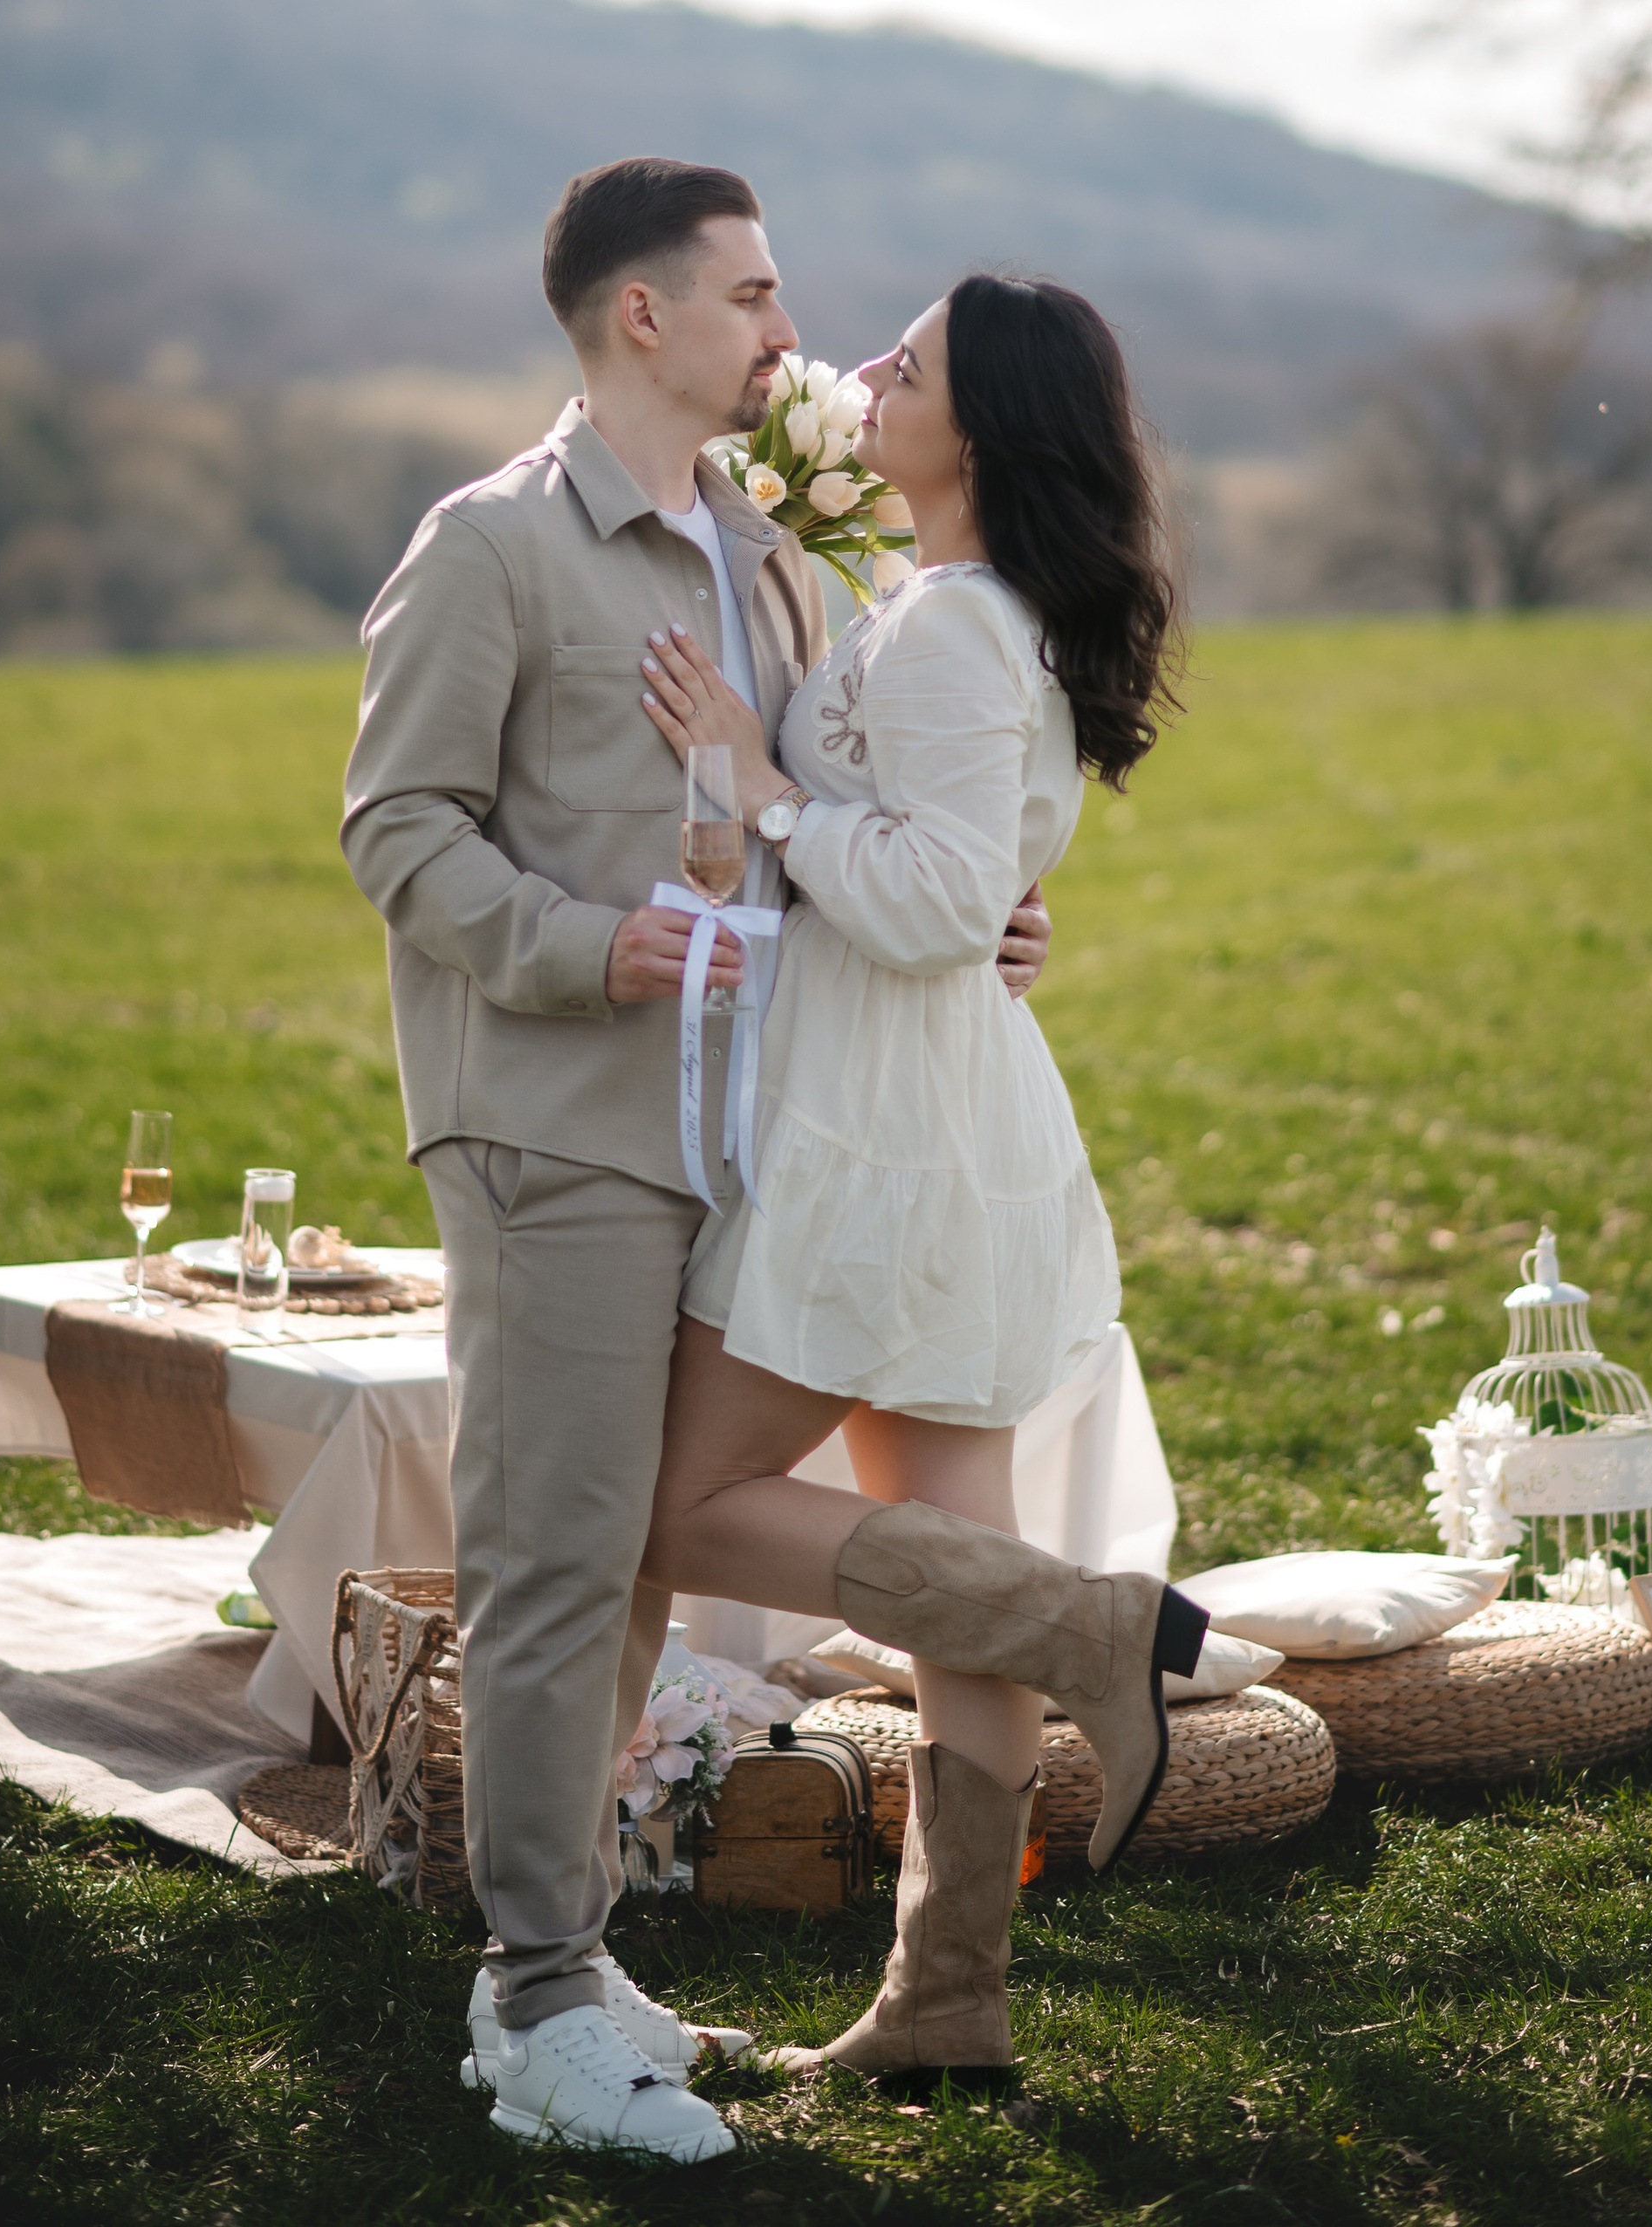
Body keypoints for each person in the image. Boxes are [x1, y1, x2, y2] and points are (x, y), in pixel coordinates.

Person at [339, 159, 1057, 2163]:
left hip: (747, 1135)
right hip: (551, 1129)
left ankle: (562, 1966)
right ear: (639, 314)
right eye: (750, 295)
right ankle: (536, 2005)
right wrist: (590, 946)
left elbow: (820, 822)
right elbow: (395, 827)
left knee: (631, 1551)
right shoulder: (488, 545)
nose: (787, 332)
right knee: (553, 1556)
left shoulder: (764, 554)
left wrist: (977, 918)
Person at [635, 271, 1196, 2084]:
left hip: (880, 1131)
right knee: (956, 1570)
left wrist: (759, 785)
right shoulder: (950, 600)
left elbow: (941, 900)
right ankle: (945, 2002)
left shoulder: (954, 623)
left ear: (989, 426)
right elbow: (977, 879)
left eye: (915, 362)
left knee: (671, 1507)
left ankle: (1096, 1626)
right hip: (937, 1106)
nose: (867, 368)